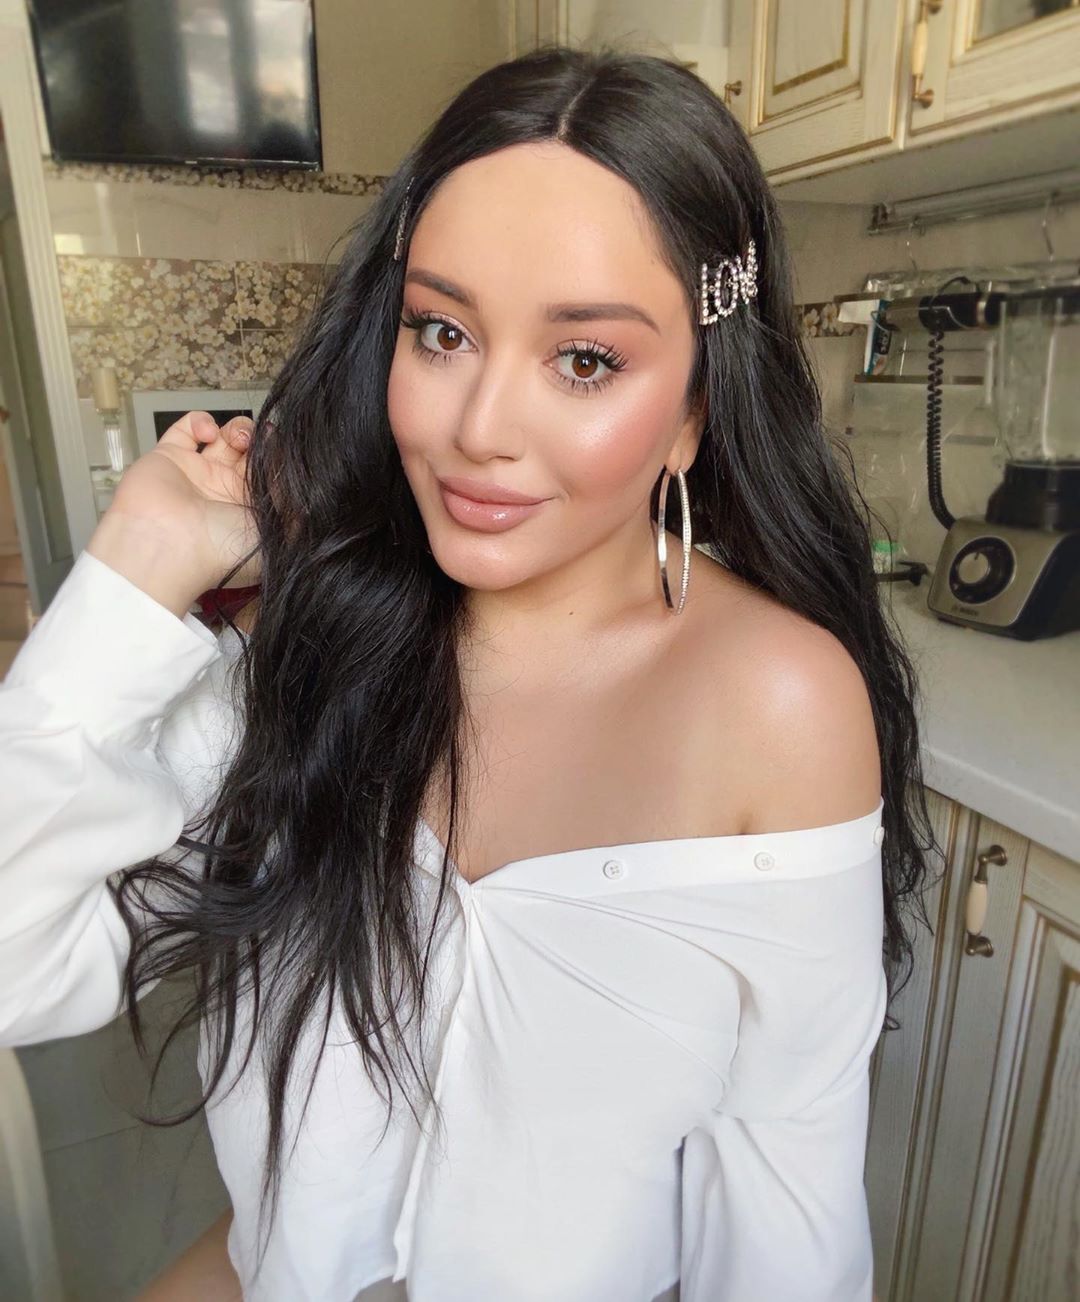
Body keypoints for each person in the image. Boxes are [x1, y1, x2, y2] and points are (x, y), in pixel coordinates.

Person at [0, 44, 935, 1302]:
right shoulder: (306, 651)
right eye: (441, 332)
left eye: (585, 360)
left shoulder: (776, 709)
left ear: (695, 409)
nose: (477, 429)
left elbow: (783, 1225)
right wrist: (136, 568)